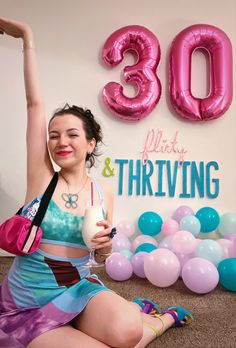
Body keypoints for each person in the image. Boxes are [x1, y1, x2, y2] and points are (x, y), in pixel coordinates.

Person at [0, 17, 193, 348]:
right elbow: (35, 105)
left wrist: (104, 248)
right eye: (54, 135)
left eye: (72, 134)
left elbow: (101, 255)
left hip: (79, 287)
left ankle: (153, 319)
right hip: (30, 302)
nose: (61, 141)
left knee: (128, 332)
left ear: (90, 143)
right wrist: (27, 37)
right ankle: (158, 319)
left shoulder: (102, 190)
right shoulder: (42, 177)